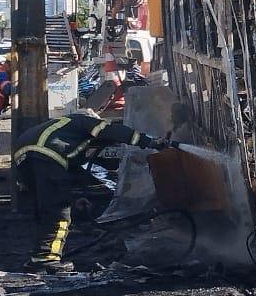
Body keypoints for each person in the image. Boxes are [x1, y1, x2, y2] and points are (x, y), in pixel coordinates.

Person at [13, 113, 177, 273]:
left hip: (24, 156)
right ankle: (46, 259)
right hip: (47, 154)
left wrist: (77, 197)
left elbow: (69, 173)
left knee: (46, 208)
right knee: (59, 211)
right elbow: (112, 130)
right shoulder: (84, 121)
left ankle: (38, 257)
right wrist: (150, 141)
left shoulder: (64, 131)